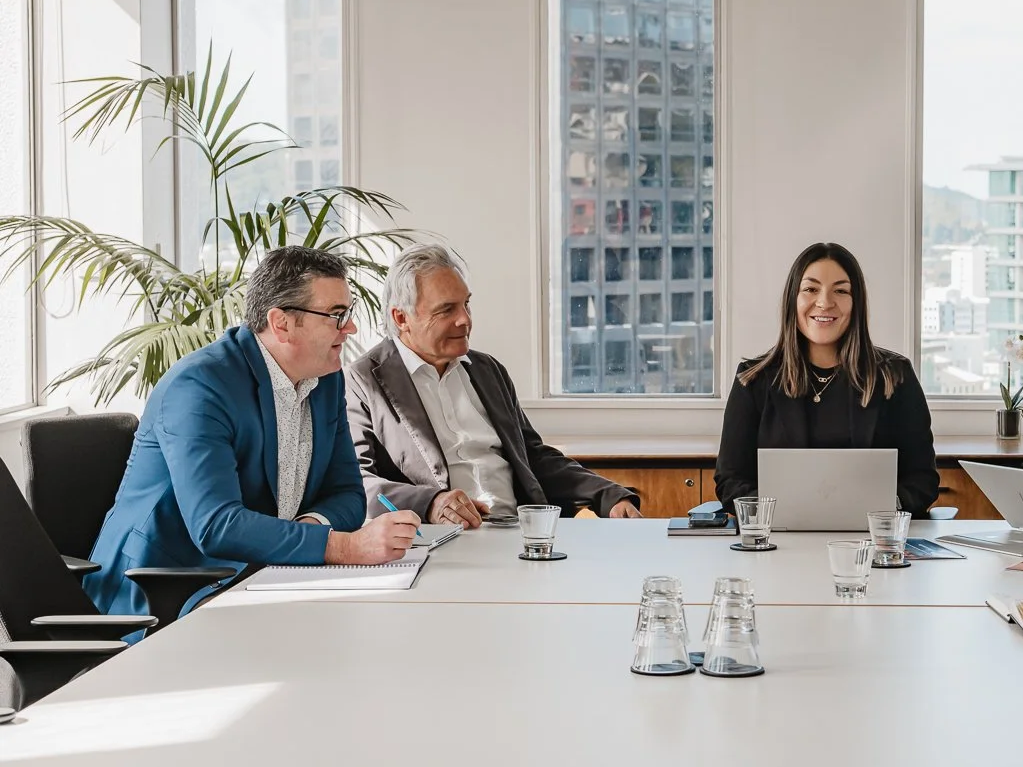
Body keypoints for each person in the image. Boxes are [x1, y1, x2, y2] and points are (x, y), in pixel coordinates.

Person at [86, 247, 419, 616]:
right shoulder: (200, 386)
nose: (351, 328)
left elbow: (347, 494)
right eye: (336, 316)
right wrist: (341, 547)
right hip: (166, 593)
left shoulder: (325, 379)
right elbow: (217, 526)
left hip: (262, 577)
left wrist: (308, 530)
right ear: (282, 323)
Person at [346, 244, 642, 525]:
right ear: (402, 318)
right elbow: (357, 483)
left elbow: (534, 457)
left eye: (466, 304)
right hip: (442, 541)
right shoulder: (363, 382)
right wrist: (431, 502)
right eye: (446, 310)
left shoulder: (488, 370)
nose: (465, 319)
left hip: (521, 531)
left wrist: (608, 495)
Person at [715, 241, 939, 515]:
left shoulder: (895, 375)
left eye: (841, 291)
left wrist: (883, 509)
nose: (824, 302)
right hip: (781, 540)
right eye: (810, 289)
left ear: (856, 302)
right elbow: (730, 480)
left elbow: (922, 478)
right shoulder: (753, 380)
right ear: (792, 300)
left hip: (870, 541)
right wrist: (778, 512)